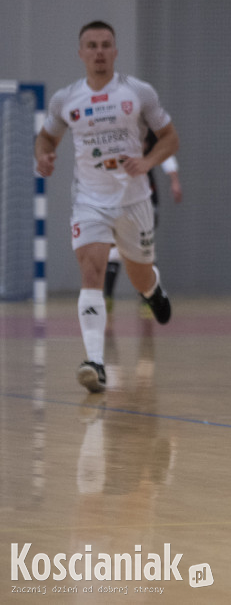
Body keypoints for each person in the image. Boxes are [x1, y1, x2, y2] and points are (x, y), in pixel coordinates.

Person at [35, 20, 179, 394]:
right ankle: (95, 363)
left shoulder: (138, 93)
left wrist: (147, 164)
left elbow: (169, 138)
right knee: (92, 269)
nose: (99, 52)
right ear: (80, 53)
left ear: (115, 51)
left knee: (139, 274)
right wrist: (44, 157)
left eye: (105, 45)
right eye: (91, 46)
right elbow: (46, 137)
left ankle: (153, 292)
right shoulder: (66, 99)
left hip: (133, 201)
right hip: (89, 201)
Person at [104, 128, 184, 313]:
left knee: (146, 250)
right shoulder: (115, 133)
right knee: (115, 250)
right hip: (120, 201)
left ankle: (148, 298)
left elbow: (166, 155)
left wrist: (174, 181)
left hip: (147, 200)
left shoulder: (149, 129)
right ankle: (108, 297)